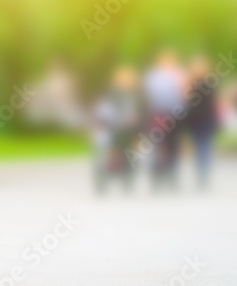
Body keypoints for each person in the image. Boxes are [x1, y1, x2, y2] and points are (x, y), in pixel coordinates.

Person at [92, 66, 141, 193]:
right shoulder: (109, 95)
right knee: (104, 152)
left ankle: (126, 179)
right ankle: (103, 181)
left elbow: (134, 115)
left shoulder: (131, 96)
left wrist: (131, 121)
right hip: (109, 129)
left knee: (130, 153)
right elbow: (102, 112)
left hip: (125, 132)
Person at [142, 50, 186, 190]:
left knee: (173, 145)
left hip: (175, 114)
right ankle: (157, 176)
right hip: (158, 114)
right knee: (158, 144)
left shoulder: (179, 75)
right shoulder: (154, 77)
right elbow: (150, 94)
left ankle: (172, 175)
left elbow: (185, 94)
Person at [185, 56, 219, 189]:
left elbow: (211, 104)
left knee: (204, 146)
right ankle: (201, 175)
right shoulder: (194, 84)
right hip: (196, 121)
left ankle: (203, 175)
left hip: (204, 120)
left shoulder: (208, 83)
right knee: (200, 147)